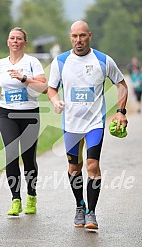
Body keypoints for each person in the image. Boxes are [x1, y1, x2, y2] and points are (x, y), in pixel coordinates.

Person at [47, 21, 128, 230]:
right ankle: (80, 206)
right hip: (71, 124)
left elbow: (121, 84)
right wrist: (55, 101)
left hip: (94, 124)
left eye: (82, 36)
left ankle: (92, 213)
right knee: (74, 168)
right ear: (70, 37)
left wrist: (120, 112)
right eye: (74, 36)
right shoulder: (61, 61)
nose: (78, 40)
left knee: (92, 166)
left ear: (89, 36)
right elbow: (51, 88)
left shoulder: (103, 60)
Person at [0, 27, 47, 216]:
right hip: (7, 114)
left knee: (28, 158)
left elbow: (44, 88)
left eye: (19, 38)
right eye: (12, 38)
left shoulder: (32, 62)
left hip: (29, 115)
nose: (15, 41)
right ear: (8, 42)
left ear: (24, 42)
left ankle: (31, 195)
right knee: (11, 155)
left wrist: (24, 78)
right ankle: (16, 199)